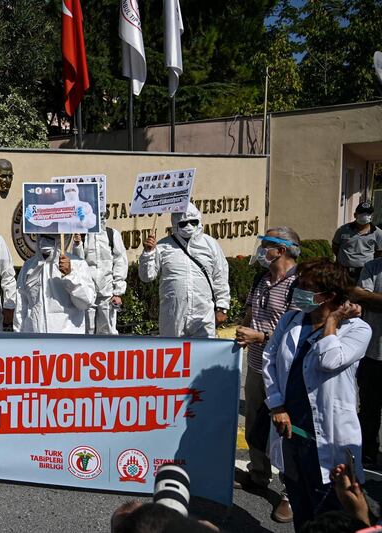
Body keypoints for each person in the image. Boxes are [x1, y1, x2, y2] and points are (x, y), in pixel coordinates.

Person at [262, 258, 371, 530]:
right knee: (301, 505)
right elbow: (270, 360)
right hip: (291, 430)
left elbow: (329, 360)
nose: (298, 290)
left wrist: (332, 322)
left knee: (330, 514)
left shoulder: (357, 329)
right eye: (299, 284)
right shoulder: (291, 320)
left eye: (306, 287)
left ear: (329, 296)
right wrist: (276, 406)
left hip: (329, 437)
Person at [233, 228, 302, 524]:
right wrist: (242, 329)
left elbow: (298, 332)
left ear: (282, 250)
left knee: (285, 432)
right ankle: (258, 474)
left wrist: (258, 335)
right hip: (257, 365)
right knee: (255, 425)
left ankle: (290, 493)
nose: (262, 251)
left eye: (267, 246)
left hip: (284, 372)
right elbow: (250, 312)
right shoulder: (261, 279)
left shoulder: (300, 284)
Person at [138, 202, 230, 338]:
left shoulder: (210, 244)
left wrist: (222, 306)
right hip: (173, 314)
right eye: (183, 223)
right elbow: (147, 276)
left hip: (203, 313)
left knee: (203, 354)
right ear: (175, 224)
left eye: (193, 222)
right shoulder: (163, 246)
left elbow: (220, 276)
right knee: (173, 354)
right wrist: (147, 253)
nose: (189, 226)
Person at [14, 234, 95, 334]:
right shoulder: (29, 266)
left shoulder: (77, 264)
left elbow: (86, 302)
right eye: (43, 235)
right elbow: (21, 306)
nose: (45, 239)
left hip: (66, 343)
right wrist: (19, 337)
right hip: (35, 342)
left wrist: (70, 275)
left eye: (52, 236)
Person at [349, 256, 382, 466]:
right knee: (369, 407)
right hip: (373, 353)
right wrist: (364, 297)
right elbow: (358, 294)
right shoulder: (373, 267)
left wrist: (371, 298)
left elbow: (366, 297)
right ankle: (368, 452)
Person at [72, 227, 128, 335]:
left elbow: (120, 261)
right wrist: (78, 245)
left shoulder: (111, 234)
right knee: (87, 330)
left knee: (108, 331)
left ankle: (108, 351)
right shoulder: (82, 234)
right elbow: (78, 263)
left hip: (108, 291)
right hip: (88, 292)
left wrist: (118, 291)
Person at [332, 201, 382, 282]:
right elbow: (335, 247)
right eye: (362, 213)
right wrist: (344, 259)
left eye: (368, 213)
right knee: (341, 292)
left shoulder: (378, 233)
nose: (365, 216)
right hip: (343, 270)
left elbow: (379, 253)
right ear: (355, 215)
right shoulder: (343, 230)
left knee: (361, 293)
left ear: (371, 216)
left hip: (365, 272)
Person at [26, 183, 98, 234]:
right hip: (64, 241)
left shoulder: (85, 205)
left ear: (77, 191)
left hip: (81, 240)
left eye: (73, 190)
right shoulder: (58, 206)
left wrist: (84, 218)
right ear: (64, 193)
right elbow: (46, 221)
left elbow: (93, 222)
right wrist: (32, 218)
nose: (70, 192)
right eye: (67, 191)